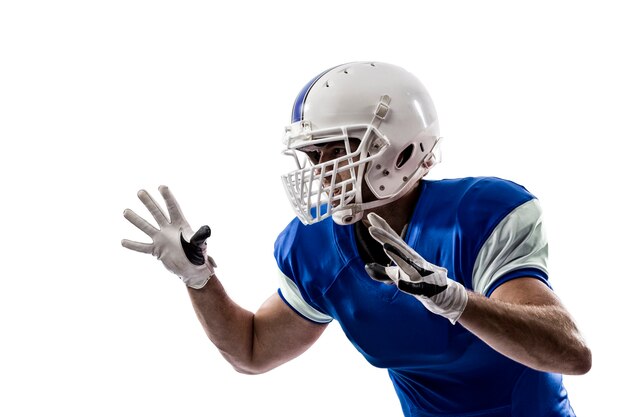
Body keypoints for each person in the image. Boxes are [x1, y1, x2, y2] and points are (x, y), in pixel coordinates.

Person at [122, 62, 591, 417]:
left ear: (402, 146)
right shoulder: (315, 245)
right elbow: (251, 349)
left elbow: (571, 353)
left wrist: (456, 302)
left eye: (335, 151)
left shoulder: (478, 214)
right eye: (312, 156)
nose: (320, 173)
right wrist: (200, 280)